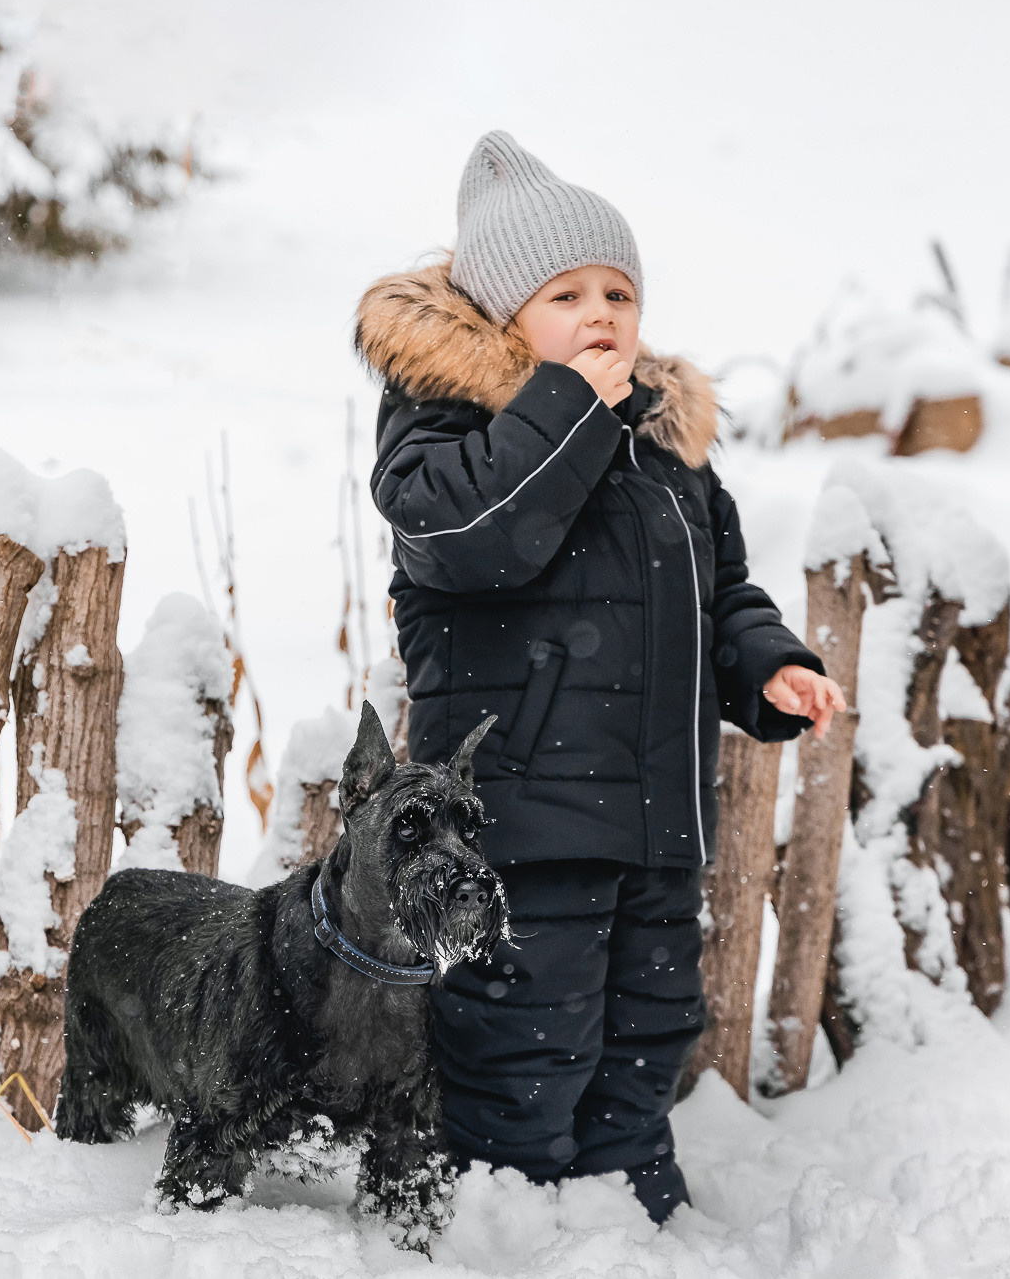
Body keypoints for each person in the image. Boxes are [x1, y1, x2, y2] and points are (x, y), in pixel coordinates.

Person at [357, 130, 846, 1223]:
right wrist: (570, 408)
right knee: (526, 1028)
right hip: (519, 812)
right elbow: (484, 535)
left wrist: (764, 664)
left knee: (650, 1022)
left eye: (616, 290)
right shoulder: (446, 428)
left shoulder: (663, 445)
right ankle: (507, 1214)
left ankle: (631, 1211)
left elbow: (720, 591)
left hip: (652, 817)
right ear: (496, 316)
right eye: (564, 292)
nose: (600, 313)